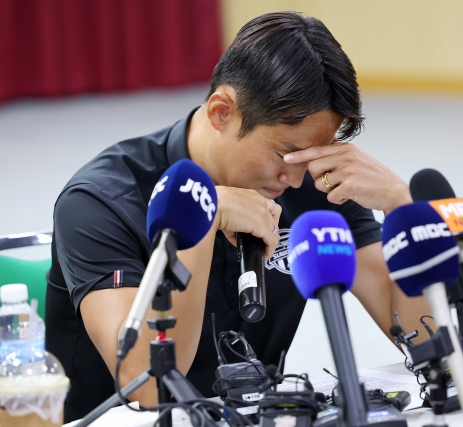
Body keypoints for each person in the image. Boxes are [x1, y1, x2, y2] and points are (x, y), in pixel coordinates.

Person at [45, 12, 432, 423]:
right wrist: (201, 218)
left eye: (314, 154)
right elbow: (149, 386)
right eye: (285, 153)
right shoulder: (100, 201)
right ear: (220, 112)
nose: (296, 176)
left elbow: (427, 344)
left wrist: (404, 209)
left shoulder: (312, 183)